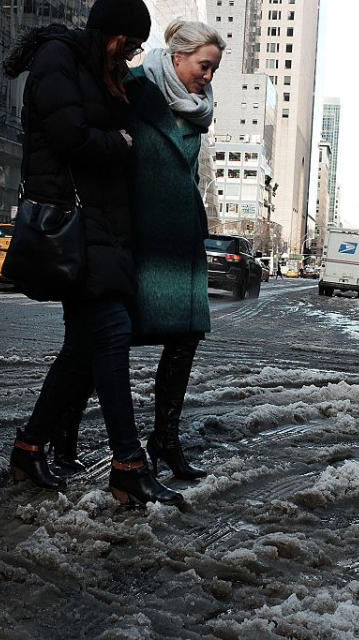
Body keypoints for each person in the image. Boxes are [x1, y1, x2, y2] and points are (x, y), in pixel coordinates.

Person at [2, 0, 182, 506]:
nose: (130, 54)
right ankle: (127, 463)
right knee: (111, 333)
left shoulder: (101, 69)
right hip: (73, 224)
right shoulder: (59, 58)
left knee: (83, 347)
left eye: (136, 47)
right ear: (109, 33)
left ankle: (28, 447)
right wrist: (121, 143)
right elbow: (67, 135)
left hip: (99, 226)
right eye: (127, 43)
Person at [122, 20, 225, 479]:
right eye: (204, 66)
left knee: (185, 339)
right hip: (136, 235)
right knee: (106, 339)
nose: (207, 77)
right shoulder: (134, 87)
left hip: (181, 241)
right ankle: (59, 437)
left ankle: (164, 438)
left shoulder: (197, 108)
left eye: (213, 70)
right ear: (178, 56)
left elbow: (188, 172)